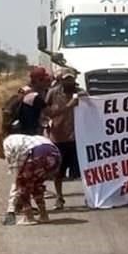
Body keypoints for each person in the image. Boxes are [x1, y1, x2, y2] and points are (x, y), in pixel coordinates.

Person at [0, 66, 52, 221]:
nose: (46, 82)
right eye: (44, 80)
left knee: (25, 176)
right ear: (37, 80)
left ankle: (21, 206)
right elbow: (51, 113)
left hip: (16, 138)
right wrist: (71, 105)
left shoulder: (23, 91)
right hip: (27, 142)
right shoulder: (35, 96)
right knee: (22, 177)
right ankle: (11, 211)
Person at [0, 134, 61, 226]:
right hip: (55, 155)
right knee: (37, 183)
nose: (2, 158)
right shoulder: (24, 139)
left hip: (38, 155)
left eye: (1, 156)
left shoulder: (6, 144)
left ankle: (29, 217)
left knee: (23, 184)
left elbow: (17, 178)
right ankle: (44, 215)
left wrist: (11, 208)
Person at [44, 69, 80, 210]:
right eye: (66, 79)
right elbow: (47, 112)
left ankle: (91, 196)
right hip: (59, 137)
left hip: (78, 137)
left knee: (83, 170)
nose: (69, 82)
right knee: (58, 171)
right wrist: (69, 106)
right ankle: (59, 197)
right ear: (61, 80)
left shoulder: (81, 93)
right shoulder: (53, 93)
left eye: (71, 79)